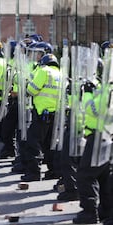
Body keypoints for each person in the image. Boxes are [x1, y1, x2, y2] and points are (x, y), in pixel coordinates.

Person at [73, 58, 113, 224]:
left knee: (86, 175)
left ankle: (90, 212)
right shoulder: (106, 87)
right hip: (103, 135)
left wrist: (88, 93)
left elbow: (95, 109)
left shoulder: (109, 89)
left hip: (99, 136)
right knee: (104, 175)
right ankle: (106, 212)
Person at [20, 53, 61, 182]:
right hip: (56, 114)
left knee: (33, 142)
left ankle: (34, 172)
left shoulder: (44, 71)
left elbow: (32, 90)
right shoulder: (60, 74)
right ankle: (54, 171)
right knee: (50, 143)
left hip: (42, 114)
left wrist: (27, 84)